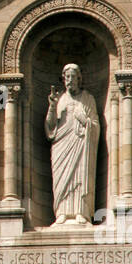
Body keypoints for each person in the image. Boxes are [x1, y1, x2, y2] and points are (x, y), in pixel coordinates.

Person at [45, 63, 100, 225]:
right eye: (67, 77)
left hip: (81, 143)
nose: (69, 80)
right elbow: (50, 127)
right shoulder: (59, 99)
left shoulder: (88, 99)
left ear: (79, 79)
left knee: (80, 175)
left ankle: (81, 211)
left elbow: (95, 126)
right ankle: (62, 212)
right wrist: (52, 106)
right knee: (62, 178)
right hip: (61, 145)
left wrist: (85, 121)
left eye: (73, 77)